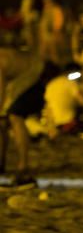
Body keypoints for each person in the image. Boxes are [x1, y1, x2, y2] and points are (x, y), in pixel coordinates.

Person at [0, 39, 51, 185]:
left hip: (36, 78)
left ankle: (23, 166)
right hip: (22, 80)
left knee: (15, 116)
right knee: (4, 121)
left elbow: (1, 92)